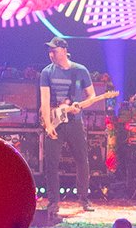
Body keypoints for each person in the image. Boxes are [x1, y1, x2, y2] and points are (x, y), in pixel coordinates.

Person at [39, 36, 111, 209]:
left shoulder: (80, 71)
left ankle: (83, 199)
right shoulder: (46, 72)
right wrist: (48, 125)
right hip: (54, 121)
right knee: (51, 163)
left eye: (54, 51)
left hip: (75, 122)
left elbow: (92, 96)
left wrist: (80, 106)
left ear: (64, 51)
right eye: (49, 51)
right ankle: (53, 201)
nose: (51, 54)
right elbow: (45, 101)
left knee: (82, 160)